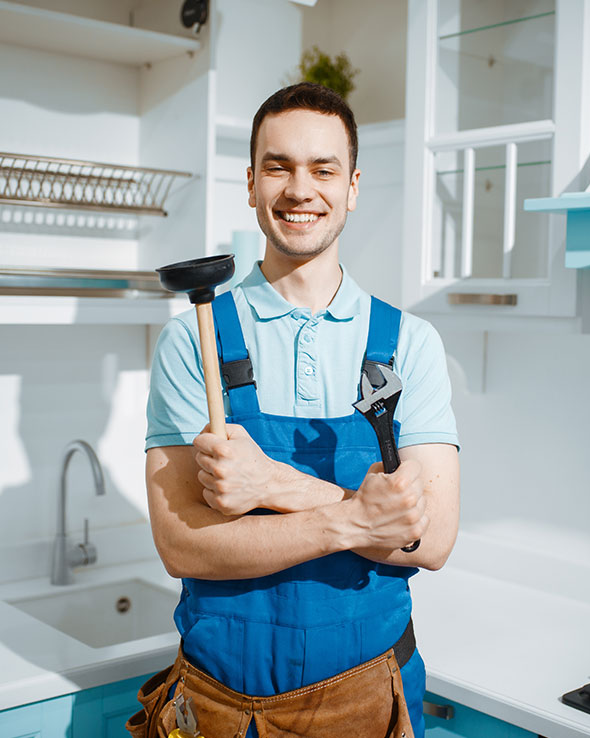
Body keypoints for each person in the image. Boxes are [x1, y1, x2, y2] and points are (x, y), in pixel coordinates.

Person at [133, 83, 459, 738]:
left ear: (353, 186)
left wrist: (277, 485)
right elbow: (181, 545)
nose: (299, 189)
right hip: (217, 704)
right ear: (251, 183)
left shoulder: (408, 344)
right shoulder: (191, 337)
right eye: (278, 166)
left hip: (373, 698)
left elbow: (432, 541)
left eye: (323, 169)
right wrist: (353, 523)